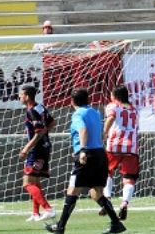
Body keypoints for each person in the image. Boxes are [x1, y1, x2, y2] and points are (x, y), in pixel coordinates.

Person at [45, 88, 125, 234]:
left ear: (72, 101)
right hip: (100, 154)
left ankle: (60, 226)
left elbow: (83, 131)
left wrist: (82, 150)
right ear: (87, 99)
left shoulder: (77, 114)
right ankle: (116, 223)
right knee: (96, 192)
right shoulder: (95, 112)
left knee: (72, 191)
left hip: (87, 155)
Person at [18, 84, 56, 222]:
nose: (19, 97)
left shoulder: (32, 111)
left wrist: (26, 148)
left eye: (21, 95)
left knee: (27, 183)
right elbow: (52, 123)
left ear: (27, 96)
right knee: (36, 182)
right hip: (45, 147)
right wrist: (44, 133)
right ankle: (35, 213)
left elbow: (38, 132)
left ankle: (48, 209)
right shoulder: (40, 107)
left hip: (36, 150)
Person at [102, 85, 138, 221]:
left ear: (114, 95)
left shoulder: (112, 106)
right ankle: (124, 203)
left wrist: (104, 133)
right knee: (129, 178)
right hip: (131, 147)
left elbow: (111, 118)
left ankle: (107, 199)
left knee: (107, 172)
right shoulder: (134, 109)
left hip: (115, 145)